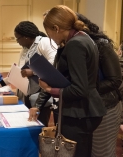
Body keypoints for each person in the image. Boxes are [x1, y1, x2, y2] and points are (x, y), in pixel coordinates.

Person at [37, 5, 106, 157]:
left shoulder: (75, 44)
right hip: (86, 110)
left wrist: (49, 89)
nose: (49, 38)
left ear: (56, 28)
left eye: (48, 33)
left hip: (79, 113)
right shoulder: (84, 37)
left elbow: (79, 89)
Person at [76, 13, 122, 157]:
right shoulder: (69, 47)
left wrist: (84, 90)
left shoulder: (101, 45)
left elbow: (115, 81)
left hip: (105, 106)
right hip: (84, 108)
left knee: (102, 153)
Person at [0, 21, 57, 110]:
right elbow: (20, 72)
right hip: (27, 93)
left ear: (25, 37)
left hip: (42, 94)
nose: (17, 42)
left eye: (18, 38)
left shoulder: (44, 42)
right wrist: (0, 83)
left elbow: (54, 63)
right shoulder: (25, 50)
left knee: (39, 121)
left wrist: (33, 72)